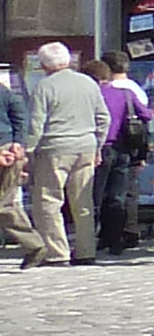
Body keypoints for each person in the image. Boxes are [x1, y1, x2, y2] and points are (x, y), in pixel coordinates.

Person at [24, 43, 108, 266]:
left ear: (43, 65)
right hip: (86, 147)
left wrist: (28, 152)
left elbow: (36, 124)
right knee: (83, 202)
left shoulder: (44, 86)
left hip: (55, 149)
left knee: (48, 201)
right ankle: (86, 250)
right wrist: (98, 145)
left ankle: (56, 252)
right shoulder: (88, 83)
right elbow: (103, 118)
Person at [92, 49, 152, 258]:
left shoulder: (99, 93)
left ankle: (101, 237)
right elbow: (147, 115)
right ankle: (116, 240)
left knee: (97, 194)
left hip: (101, 147)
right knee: (118, 196)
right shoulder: (128, 92)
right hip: (124, 147)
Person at [0, 56, 43, 270]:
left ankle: (33, 245)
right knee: (6, 203)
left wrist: (17, 144)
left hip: (5, 151)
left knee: (4, 205)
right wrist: (19, 142)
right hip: (9, 148)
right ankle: (33, 245)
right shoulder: (6, 92)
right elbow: (21, 116)